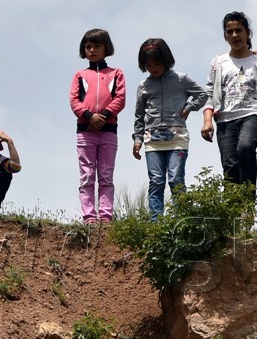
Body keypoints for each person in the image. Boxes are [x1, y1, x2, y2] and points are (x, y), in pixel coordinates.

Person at [132, 38, 207, 219]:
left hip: (177, 137)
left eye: (157, 63)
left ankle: (181, 219)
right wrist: (137, 139)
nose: (153, 68)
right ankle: (155, 222)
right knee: (156, 181)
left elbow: (202, 95)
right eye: (148, 64)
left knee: (175, 179)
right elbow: (139, 115)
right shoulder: (144, 86)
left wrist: (189, 107)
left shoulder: (181, 79)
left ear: (166, 60)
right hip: (152, 140)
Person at [200, 12, 257, 187]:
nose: (235, 35)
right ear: (225, 36)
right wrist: (207, 120)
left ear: (248, 33)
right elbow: (210, 92)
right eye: (229, 31)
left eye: (239, 30)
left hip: (251, 113)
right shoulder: (218, 62)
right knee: (229, 164)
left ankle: (247, 206)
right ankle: (233, 209)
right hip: (224, 118)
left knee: (246, 148)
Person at [69, 28, 126, 223]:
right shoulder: (80, 75)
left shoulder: (116, 73)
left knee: (106, 175)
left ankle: (105, 215)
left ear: (106, 48)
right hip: (85, 133)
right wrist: (89, 116)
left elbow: (120, 98)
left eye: (96, 46)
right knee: (87, 175)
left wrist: (101, 117)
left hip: (109, 132)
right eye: (88, 46)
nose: (92, 50)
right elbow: (74, 101)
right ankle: (89, 215)